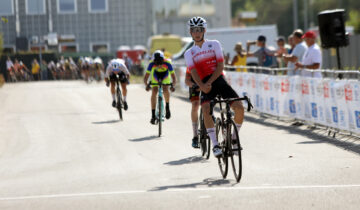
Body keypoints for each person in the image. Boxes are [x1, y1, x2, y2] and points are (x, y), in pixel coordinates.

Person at [184, 16, 244, 157]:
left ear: (204, 30)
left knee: (240, 108)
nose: (197, 33)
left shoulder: (214, 44)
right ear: (190, 32)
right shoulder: (189, 53)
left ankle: (234, 138)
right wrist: (202, 86)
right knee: (205, 109)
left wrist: (209, 82)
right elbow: (193, 71)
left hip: (218, 79)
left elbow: (220, 65)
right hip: (203, 83)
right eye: (194, 30)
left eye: (199, 30)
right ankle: (215, 145)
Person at [143, 50, 176, 124]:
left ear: (163, 59)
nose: (159, 65)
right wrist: (147, 85)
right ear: (154, 61)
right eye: (157, 63)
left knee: (165, 88)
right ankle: (153, 115)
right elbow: (146, 78)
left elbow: (174, 78)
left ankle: (167, 106)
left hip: (165, 75)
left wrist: (173, 85)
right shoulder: (151, 64)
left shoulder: (167, 63)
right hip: (155, 76)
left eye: (160, 63)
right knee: (154, 91)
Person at [185, 67, 201, 148]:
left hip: (207, 82)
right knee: (195, 106)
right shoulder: (191, 63)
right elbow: (187, 80)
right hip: (195, 84)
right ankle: (195, 136)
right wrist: (193, 85)